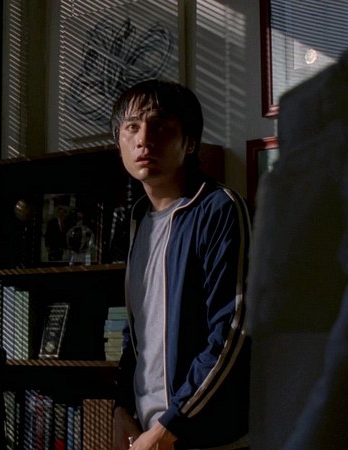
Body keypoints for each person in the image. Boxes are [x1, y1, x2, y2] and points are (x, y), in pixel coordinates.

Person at [110, 79, 251, 450]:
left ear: (189, 142)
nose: (143, 140)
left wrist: (168, 427)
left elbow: (232, 330)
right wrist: (121, 406)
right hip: (145, 431)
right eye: (132, 127)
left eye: (159, 127)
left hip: (202, 437)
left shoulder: (219, 209)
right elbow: (135, 332)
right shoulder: (137, 221)